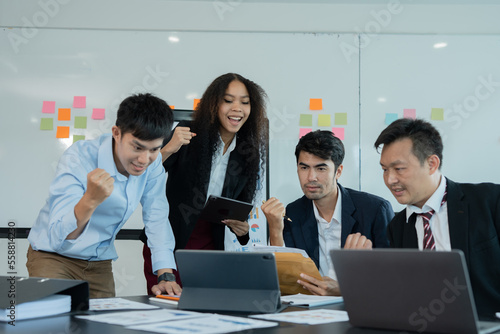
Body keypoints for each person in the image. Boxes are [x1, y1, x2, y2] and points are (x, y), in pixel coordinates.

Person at [27, 93, 180, 298]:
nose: (144, 159)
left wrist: (166, 275)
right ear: (116, 133)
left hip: (98, 262)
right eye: (137, 147)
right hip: (53, 257)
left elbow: (157, 218)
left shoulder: (152, 168)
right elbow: (58, 236)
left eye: (154, 149)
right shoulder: (79, 157)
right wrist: (90, 200)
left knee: (103, 325)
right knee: (54, 324)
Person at [141, 73, 269, 293]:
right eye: (228, 101)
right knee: (167, 309)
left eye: (245, 102)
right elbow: (144, 175)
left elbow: (240, 209)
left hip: (212, 244)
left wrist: (243, 230)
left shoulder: (248, 150)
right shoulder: (187, 133)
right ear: (213, 104)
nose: (237, 108)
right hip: (170, 238)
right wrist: (169, 147)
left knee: (205, 310)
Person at [374, 118, 500, 319]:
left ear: (432, 164)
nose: (390, 180)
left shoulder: (489, 201)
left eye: (399, 169)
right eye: (384, 169)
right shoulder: (397, 227)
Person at [262, 130, 393, 296]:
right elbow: (282, 280)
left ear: (338, 172)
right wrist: (275, 230)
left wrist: (345, 289)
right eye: (304, 167)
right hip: (307, 313)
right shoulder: (293, 213)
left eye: (321, 168)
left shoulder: (375, 210)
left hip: (359, 309)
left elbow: (392, 280)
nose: (311, 177)